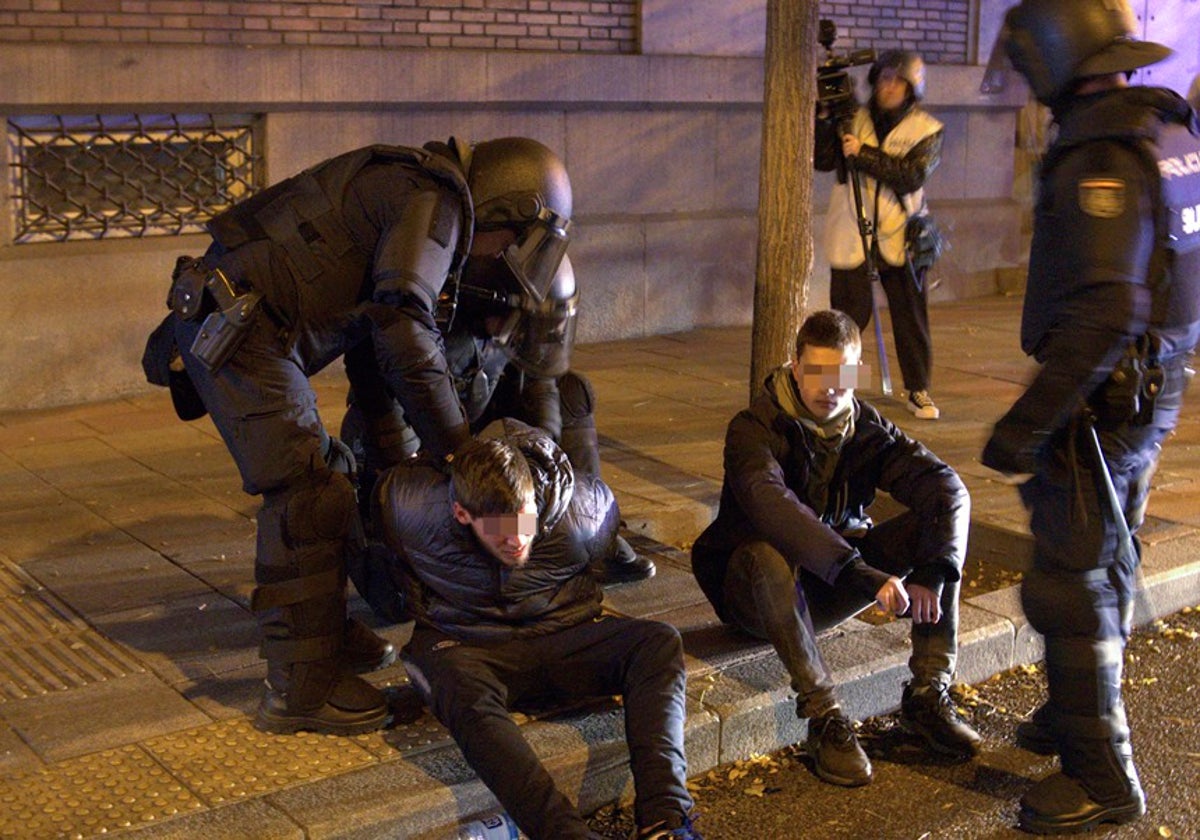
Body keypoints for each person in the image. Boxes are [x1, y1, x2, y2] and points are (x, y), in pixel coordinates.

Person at [141, 136, 580, 736]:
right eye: (513, 244)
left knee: (333, 472)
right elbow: (402, 325)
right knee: (309, 493)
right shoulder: (438, 202)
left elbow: (375, 335)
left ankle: (321, 632)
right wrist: (459, 449)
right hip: (240, 334)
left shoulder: (417, 192)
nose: (501, 258)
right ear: (507, 213)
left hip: (244, 326)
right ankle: (301, 688)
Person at [982, 0, 1200, 833]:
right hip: (1149, 387)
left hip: (1101, 400)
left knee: (1071, 583)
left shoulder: (1098, 156)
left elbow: (1106, 308)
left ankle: (1102, 774)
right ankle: (1068, 714)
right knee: (1103, 557)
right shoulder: (1162, 130)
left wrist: (1028, 423)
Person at [367, 419, 701, 840]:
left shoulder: (584, 507)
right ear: (461, 513)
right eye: (499, 530)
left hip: (563, 634)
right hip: (470, 646)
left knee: (659, 642)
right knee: (449, 680)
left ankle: (666, 821)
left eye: (523, 522)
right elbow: (382, 568)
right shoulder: (412, 508)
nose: (516, 540)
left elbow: (614, 559)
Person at [692, 309, 980, 788]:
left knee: (936, 532)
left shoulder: (865, 428)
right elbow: (774, 508)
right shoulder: (753, 430)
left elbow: (946, 488)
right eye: (819, 374)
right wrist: (860, 573)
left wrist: (934, 570)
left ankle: (928, 694)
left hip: (830, 587)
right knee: (765, 552)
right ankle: (824, 716)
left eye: (843, 375)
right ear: (796, 366)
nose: (831, 388)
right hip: (757, 595)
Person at [340, 253, 654, 584]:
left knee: (572, 392)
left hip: (480, 438)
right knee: (406, 574)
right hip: (417, 447)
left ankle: (594, 533)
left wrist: (539, 471)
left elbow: (541, 384)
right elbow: (387, 406)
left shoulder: (508, 327)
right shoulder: (422, 327)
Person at [815, 50, 945, 420]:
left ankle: (918, 389)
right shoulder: (851, 119)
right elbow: (823, 160)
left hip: (900, 234)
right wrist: (824, 118)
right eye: (884, 79)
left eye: (898, 81)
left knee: (910, 317)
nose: (889, 87)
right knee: (847, 318)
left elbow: (911, 174)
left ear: (912, 88)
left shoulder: (928, 128)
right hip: (852, 230)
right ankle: (836, 389)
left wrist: (864, 154)